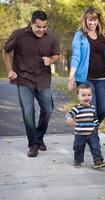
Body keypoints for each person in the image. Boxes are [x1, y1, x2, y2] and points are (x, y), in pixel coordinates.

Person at [3, 10, 60, 157]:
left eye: (44, 27)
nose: (41, 30)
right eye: (38, 27)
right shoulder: (19, 34)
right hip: (24, 80)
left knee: (48, 109)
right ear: (31, 23)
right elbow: (6, 51)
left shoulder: (51, 37)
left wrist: (51, 60)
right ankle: (33, 144)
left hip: (43, 80)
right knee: (28, 112)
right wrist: (10, 70)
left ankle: (39, 137)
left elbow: (56, 55)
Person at [68, 6, 105, 126]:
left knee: (103, 109)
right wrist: (71, 77)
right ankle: (92, 136)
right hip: (85, 78)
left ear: (98, 20)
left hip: (101, 78)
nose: (92, 22)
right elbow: (76, 56)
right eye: (90, 20)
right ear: (85, 20)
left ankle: (91, 128)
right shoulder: (80, 35)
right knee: (91, 109)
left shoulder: (104, 35)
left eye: (95, 20)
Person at [66, 84, 105, 168]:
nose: (86, 97)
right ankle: (78, 161)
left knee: (95, 146)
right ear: (78, 97)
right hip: (80, 134)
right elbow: (69, 114)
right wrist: (69, 118)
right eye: (83, 95)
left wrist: (97, 125)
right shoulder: (77, 108)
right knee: (79, 148)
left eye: (89, 95)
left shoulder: (92, 108)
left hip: (91, 132)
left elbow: (95, 118)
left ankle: (98, 161)